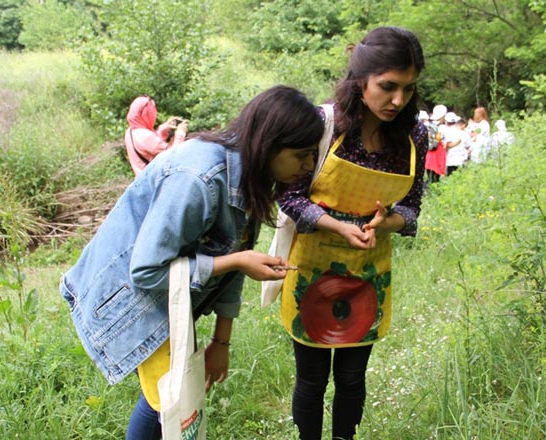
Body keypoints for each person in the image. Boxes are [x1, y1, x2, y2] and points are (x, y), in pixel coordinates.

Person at [59, 85, 325, 440]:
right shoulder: (199, 179)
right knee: (169, 402)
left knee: (169, 398)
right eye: (302, 155)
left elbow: (235, 254)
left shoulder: (248, 176)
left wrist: (221, 342)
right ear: (269, 143)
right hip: (131, 296)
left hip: (169, 297)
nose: (308, 166)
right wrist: (236, 262)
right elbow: (147, 270)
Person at [276, 26, 427, 440]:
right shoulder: (324, 125)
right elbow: (288, 197)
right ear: (360, 80)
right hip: (311, 272)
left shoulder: (414, 136)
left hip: (368, 275)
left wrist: (390, 222)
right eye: (388, 87)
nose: (399, 100)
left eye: (409, 89)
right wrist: (338, 225)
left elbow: (412, 209)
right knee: (310, 380)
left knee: (352, 377)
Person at [124, 96, 189, 175]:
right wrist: (180, 133)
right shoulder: (145, 136)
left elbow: (150, 146)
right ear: (146, 114)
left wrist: (164, 129)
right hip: (154, 183)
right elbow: (172, 155)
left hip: (142, 180)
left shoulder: (131, 131)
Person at [424, 104, 447, 184]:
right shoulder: (442, 127)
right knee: (435, 179)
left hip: (429, 153)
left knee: (429, 176)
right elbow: (443, 140)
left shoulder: (428, 125)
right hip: (438, 154)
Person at [442, 112, 468, 176]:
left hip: (450, 160)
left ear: (446, 121)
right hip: (461, 159)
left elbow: (446, 146)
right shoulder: (464, 133)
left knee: (450, 177)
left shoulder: (445, 131)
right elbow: (468, 146)